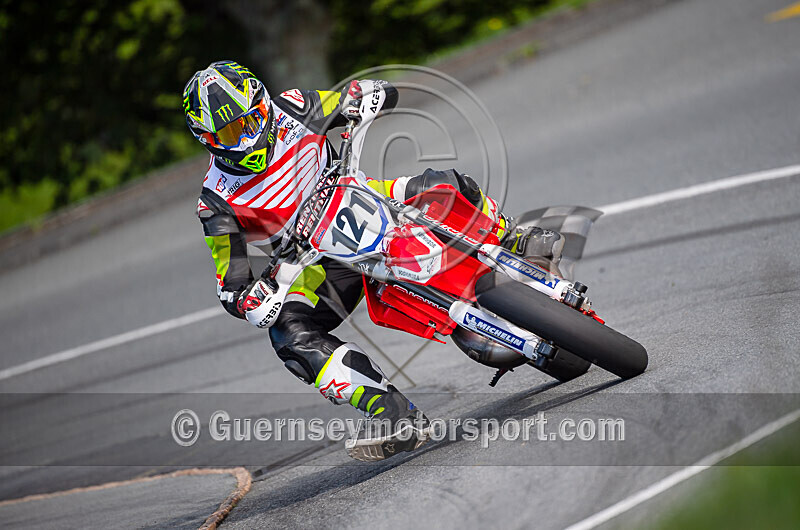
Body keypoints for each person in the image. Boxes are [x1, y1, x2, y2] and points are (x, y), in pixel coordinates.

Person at [182, 61, 563, 461]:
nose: (246, 134)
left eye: (252, 117)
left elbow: (356, 96)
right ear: (207, 139)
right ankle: (392, 411)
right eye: (229, 131)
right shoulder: (215, 202)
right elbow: (231, 285)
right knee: (288, 335)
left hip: (368, 200)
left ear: (262, 102)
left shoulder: (294, 107)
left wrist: (370, 95)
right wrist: (251, 299)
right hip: (316, 262)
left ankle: (512, 236)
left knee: (445, 183)